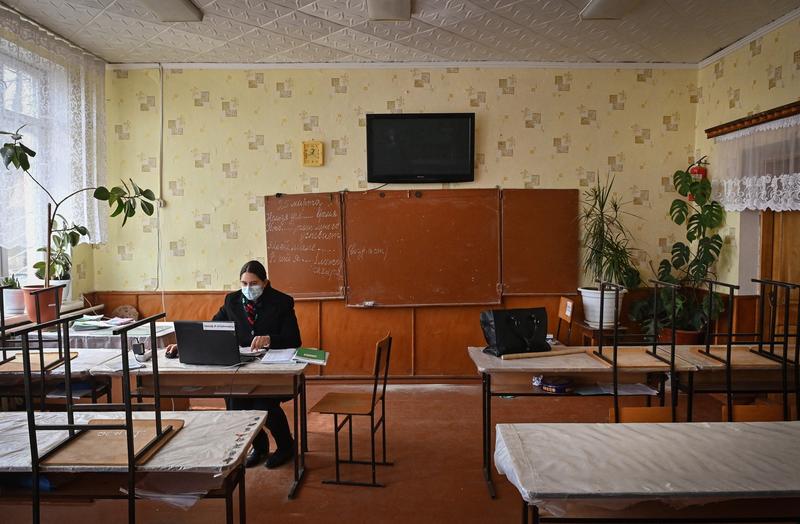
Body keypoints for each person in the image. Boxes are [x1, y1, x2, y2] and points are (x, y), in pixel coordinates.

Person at [166, 260, 301, 468]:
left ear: (265, 282)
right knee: (235, 403)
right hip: (242, 369)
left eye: (254, 283)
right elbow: (210, 328)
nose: (248, 288)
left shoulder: (282, 302)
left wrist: (270, 339)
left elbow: (294, 339)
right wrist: (182, 345)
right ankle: (260, 446)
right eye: (244, 283)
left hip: (273, 370)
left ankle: (286, 446)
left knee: (263, 404)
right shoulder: (232, 301)